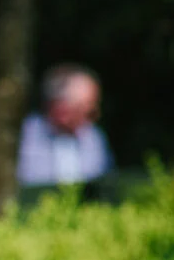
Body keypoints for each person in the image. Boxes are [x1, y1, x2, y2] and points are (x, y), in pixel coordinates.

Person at [17, 64, 114, 194]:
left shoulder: (94, 138)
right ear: (61, 109)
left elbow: (107, 186)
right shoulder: (22, 138)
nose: (95, 117)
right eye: (88, 111)